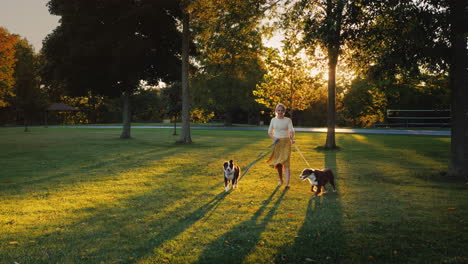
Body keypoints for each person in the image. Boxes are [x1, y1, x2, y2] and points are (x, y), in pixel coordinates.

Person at [266, 103, 295, 188]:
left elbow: (291, 130)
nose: (280, 112)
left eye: (282, 110)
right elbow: (269, 132)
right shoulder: (273, 120)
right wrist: (274, 138)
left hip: (286, 142)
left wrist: (292, 138)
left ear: (284, 111)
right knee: (278, 163)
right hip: (277, 143)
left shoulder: (288, 120)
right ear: (276, 111)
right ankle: (280, 180)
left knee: (286, 162)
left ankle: (287, 183)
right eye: (278, 110)